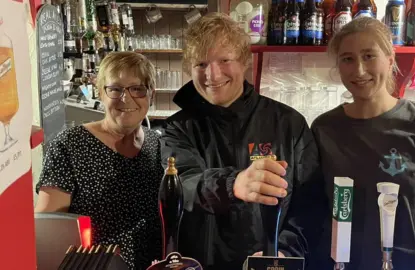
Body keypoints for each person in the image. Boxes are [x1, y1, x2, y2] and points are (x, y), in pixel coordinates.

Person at [160, 12, 327, 269]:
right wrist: (233, 184)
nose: (212, 76)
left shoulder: (288, 123)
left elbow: (311, 204)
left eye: (224, 60)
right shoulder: (177, 128)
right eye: (201, 64)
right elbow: (184, 185)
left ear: (244, 61)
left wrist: (284, 251)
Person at [310, 17, 415, 270]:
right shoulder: (323, 128)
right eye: (347, 59)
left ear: (390, 59)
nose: (359, 70)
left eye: (369, 56)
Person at [35, 52, 163, 269]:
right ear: (100, 93)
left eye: (137, 89)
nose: (126, 98)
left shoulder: (156, 143)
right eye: (115, 89)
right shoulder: (69, 144)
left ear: (152, 94)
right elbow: (48, 230)